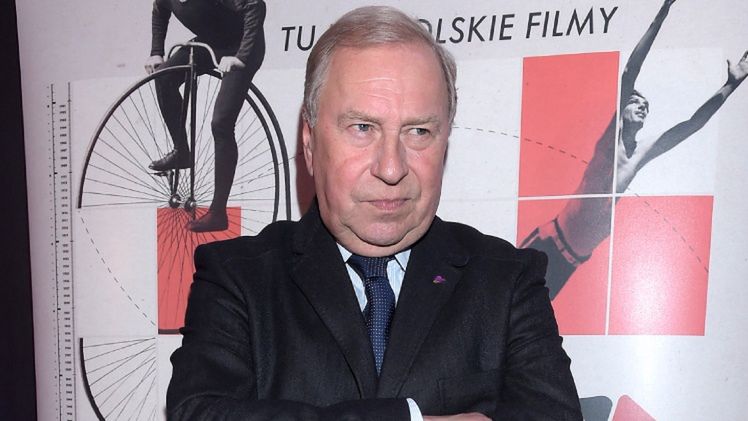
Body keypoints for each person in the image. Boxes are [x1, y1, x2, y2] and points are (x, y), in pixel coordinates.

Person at [167, 6, 581, 420]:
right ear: (309, 143)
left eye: (419, 131)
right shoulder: (238, 279)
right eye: (363, 128)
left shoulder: (507, 280)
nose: (391, 167)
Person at [521, 0, 748, 299]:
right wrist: (662, 13)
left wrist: (731, 84)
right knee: (500, 303)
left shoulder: (640, 154)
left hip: (569, 265)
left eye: (647, 107)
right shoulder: (609, 144)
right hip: (547, 245)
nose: (642, 107)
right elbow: (630, 71)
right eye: (636, 102)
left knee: (528, 324)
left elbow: (692, 124)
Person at [145, 0, 266, 232]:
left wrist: (241, 57)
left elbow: (255, 6)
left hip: (242, 45)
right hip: (209, 43)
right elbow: (159, 11)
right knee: (164, 77)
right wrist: (156, 52)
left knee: (221, 124)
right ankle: (182, 152)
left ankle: (218, 213)